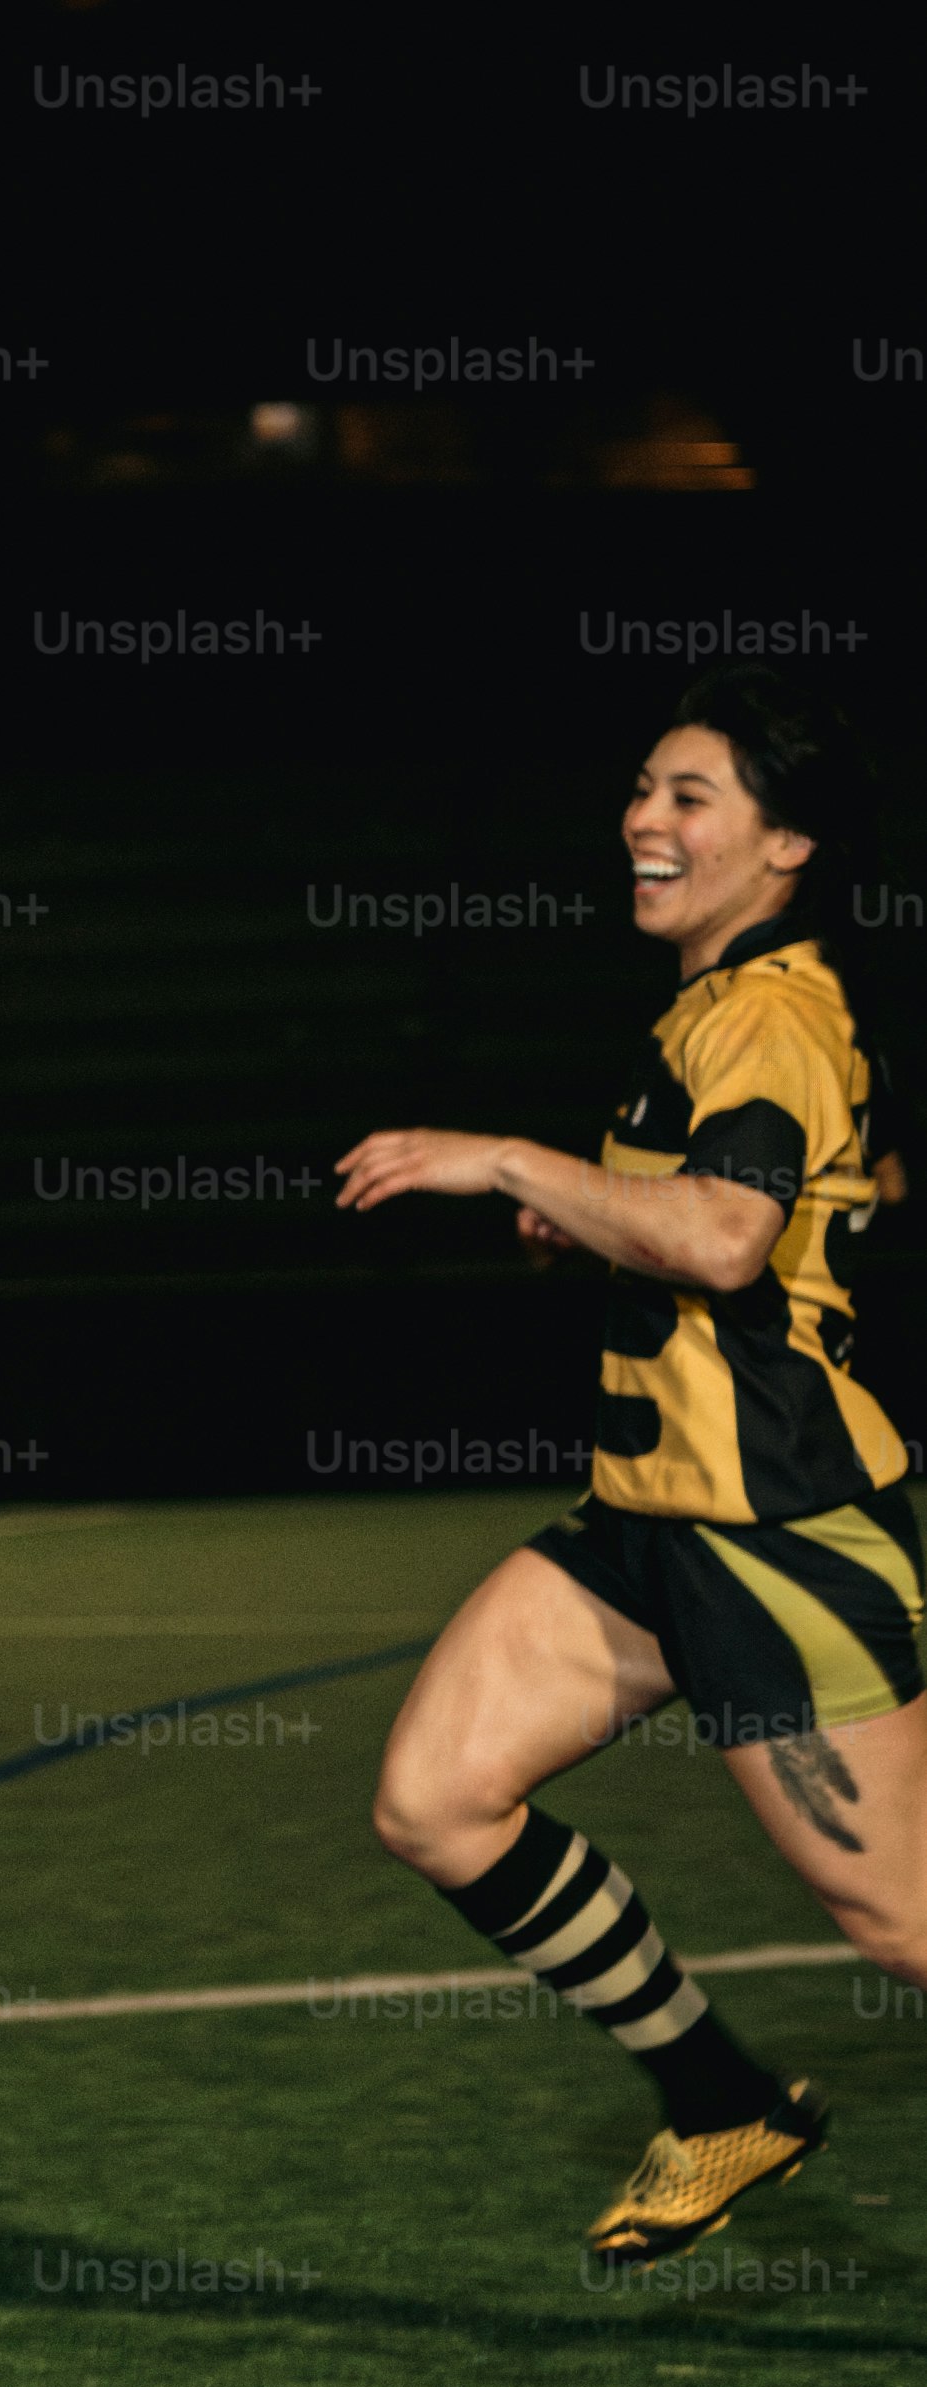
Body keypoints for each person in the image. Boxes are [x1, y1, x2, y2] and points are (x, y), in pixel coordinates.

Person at [350, 667, 914, 2260]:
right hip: (645, 1527)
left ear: (785, 842)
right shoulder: (715, 1005)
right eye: (641, 788)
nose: (640, 821)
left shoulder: (767, 1010)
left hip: (774, 1536)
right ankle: (720, 2103)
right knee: (435, 1800)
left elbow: (725, 1240)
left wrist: (505, 1161)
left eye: (687, 797)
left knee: (901, 1924)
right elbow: (746, 1211)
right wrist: (585, 1217)